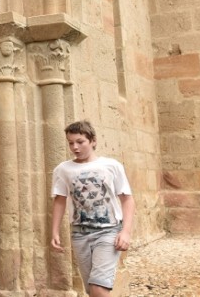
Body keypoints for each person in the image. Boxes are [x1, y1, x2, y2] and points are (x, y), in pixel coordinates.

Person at [50, 121, 135, 297]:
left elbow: (127, 199)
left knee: (98, 288)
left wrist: (125, 232)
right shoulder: (62, 169)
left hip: (108, 232)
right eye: (71, 143)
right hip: (80, 234)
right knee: (92, 290)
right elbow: (60, 200)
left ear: (93, 141)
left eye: (80, 142)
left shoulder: (111, 166)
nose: (75, 147)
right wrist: (55, 231)